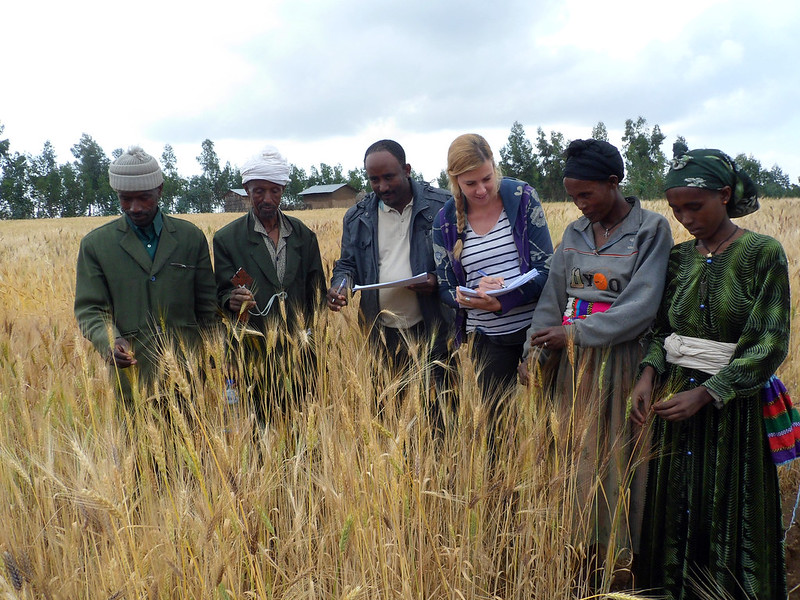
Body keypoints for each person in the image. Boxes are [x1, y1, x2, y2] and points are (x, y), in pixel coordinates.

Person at [630, 149, 790, 599]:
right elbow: (663, 329)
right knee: (675, 507)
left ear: (724, 195)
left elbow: (769, 342)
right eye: (676, 209)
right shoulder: (678, 259)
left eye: (694, 206)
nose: (685, 218)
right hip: (674, 405)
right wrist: (647, 375)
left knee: (728, 508)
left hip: (733, 412)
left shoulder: (763, 253)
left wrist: (710, 393)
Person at [519, 138, 673, 575]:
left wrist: (574, 333)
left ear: (613, 182)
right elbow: (552, 298)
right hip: (573, 369)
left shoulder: (650, 229)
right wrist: (535, 353)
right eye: (572, 197)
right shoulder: (573, 234)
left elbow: (641, 307)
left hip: (622, 363)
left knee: (622, 461)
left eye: (586, 194)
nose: (579, 204)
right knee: (577, 460)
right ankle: (581, 556)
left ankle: (626, 561)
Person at [74, 146, 218, 403]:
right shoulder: (96, 245)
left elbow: (207, 306)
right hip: (132, 379)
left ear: (160, 190)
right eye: (125, 198)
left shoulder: (189, 238)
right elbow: (91, 309)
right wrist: (110, 341)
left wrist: (216, 358)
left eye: (144, 197)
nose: (135, 207)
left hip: (189, 376)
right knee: (135, 442)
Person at [433, 133, 552, 410]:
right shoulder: (445, 222)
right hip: (486, 340)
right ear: (455, 180)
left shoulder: (522, 198)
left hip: (535, 333)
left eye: (487, 178)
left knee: (547, 420)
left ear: (494, 166)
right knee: (497, 428)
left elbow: (547, 269)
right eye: (470, 183)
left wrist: (504, 299)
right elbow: (445, 288)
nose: (481, 190)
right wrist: (469, 296)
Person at [214, 145, 325, 419]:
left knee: (302, 425)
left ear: (283, 190)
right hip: (252, 354)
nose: (267, 198)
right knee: (258, 429)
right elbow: (218, 295)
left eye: (274, 190)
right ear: (246, 190)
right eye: (258, 191)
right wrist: (231, 299)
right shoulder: (227, 239)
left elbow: (317, 295)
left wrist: (312, 343)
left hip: (299, 354)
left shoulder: (303, 236)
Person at [327, 140, 453, 371]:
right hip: (382, 334)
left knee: (439, 404)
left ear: (407, 170)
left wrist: (438, 280)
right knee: (389, 405)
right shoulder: (357, 217)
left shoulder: (442, 206)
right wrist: (341, 285)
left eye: (389, 177)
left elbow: (461, 262)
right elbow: (347, 264)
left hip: (435, 329)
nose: (382, 186)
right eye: (374, 180)